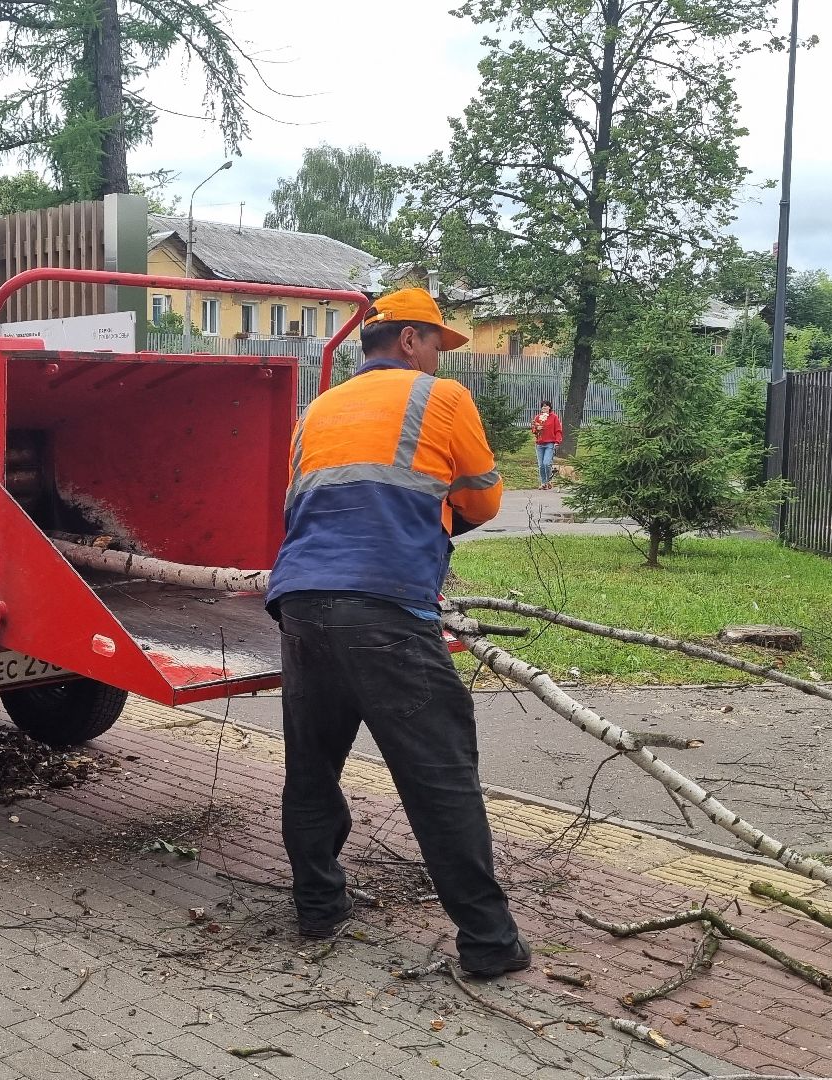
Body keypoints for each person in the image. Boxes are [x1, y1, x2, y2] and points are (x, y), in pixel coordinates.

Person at [265, 287, 530, 979]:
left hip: (300, 601)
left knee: (312, 766)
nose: (441, 358)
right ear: (410, 340)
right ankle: (489, 942)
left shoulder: (318, 409)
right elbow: (482, 499)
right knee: (440, 772)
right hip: (384, 604)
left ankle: (318, 908)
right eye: (437, 343)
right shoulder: (440, 398)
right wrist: (434, 519)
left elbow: (297, 504)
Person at [530, 401, 562, 489]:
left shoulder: (554, 417)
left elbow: (558, 430)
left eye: (546, 406)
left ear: (549, 407)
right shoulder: (538, 417)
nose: (544, 408)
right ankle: (543, 483)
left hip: (550, 443)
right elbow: (533, 430)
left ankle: (548, 481)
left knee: (547, 463)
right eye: (542, 407)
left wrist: (557, 441)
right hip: (539, 444)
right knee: (541, 465)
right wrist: (537, 428)